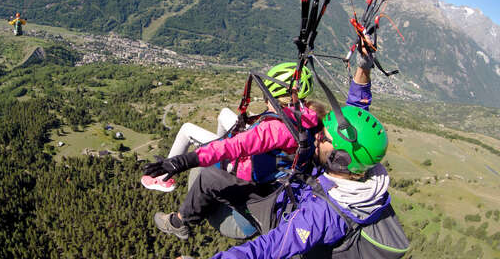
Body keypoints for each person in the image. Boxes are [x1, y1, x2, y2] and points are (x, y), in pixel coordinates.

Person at [145, 47, 408, 258]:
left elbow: (269, 249)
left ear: (339, 158)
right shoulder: (359, 168)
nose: (317, 135)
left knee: (208, 178)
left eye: (323, 137)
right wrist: (364, 66)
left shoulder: (324, 213)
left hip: (276, 212)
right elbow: (356, 112)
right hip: (285, 192)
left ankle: (181, 223)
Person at [141, 62, 321, 193]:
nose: (267, 103)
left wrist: (181, 161)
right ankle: (215, 159)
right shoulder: (304, 116)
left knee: (187, 129)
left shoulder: (276, 128)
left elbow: (235, 146)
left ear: (278, 99)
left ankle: (163, 177)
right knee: (224, 114)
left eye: (268, 98)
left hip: (244, 166)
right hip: (262, 159)